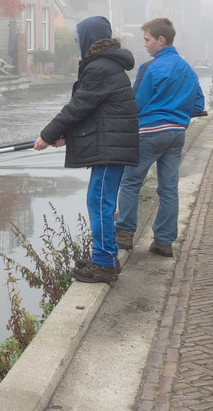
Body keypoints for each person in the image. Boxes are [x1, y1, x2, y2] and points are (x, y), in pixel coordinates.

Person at [34, 16, 139, 284]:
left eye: (78, 38)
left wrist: (46, 135)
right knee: (100, 201)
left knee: (99, 202)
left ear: (88, 39)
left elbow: (78, 106)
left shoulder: (100, 68)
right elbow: (95, 110)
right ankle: (105, 256)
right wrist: (65, 134)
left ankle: (104, 263)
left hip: (110, 148)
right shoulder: (107, 65)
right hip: (111, 145)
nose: (77, 43)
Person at [115, 17, 206, 258]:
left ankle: (124, 234)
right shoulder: (188, 69)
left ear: (160, 40)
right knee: (168, 188)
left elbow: (136, 104)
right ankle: (164, 242)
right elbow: (199, 104)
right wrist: (177, 107)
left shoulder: (150, 68)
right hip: (176, 134)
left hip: (149, 133)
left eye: (147, 40)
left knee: (130, 182)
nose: (144, 45)